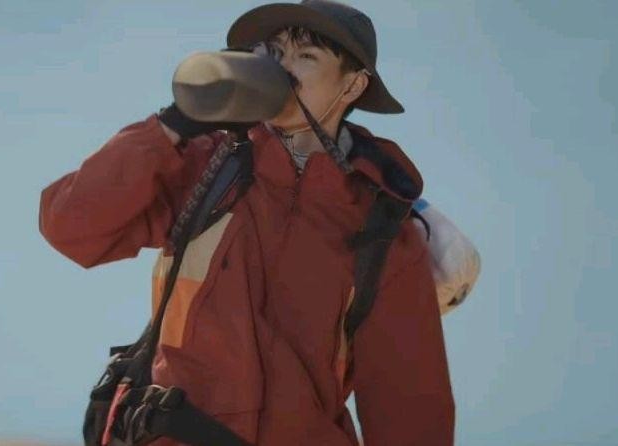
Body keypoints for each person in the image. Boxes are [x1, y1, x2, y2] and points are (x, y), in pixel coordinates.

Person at [39, 1, 455, 444]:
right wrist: (173, 124)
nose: (283, 68)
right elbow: (68, 224)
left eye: (306, 56)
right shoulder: (204, 165)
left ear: (353, 85)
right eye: (274, 52)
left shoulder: (382, 225)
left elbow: (408, 404)